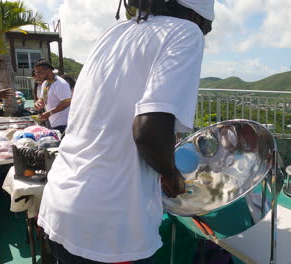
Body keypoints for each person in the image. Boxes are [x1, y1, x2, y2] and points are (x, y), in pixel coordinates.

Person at [37, 0, 214, 263]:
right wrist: (171, 176)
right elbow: (148, 130)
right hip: (109, 228)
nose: (204, 35)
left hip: (61, 204)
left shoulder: (114, 33)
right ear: (195, 15)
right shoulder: (186, 32)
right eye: (206, 29)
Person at [33, 59, 72, 134]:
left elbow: (67, 103)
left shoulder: (61, 84)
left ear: (48, 70)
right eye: (36, 72)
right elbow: (42, 98)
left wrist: (49, 113)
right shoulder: (45, 83)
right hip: (53, 122)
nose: (37, 75)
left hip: (64, 123)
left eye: (39, 72)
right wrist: (38, 103)